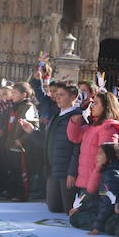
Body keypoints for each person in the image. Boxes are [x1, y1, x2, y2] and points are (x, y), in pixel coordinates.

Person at [67, 90, 119, 195]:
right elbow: (74, 137)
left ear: (106, 106)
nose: (92, 106)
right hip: (86, 183)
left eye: (96, 103)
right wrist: (77, 117)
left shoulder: (108, 129)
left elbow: (104, 160)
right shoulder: (91, 127)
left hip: (96, 186)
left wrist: (92, 185)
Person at [68, 142, 119, 234]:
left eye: (100, 153)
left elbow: (107, 203)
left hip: (111, 214)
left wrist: (97, 227)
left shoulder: (111, 174)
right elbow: (100, 200)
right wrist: (81, 207)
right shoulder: (113, 171)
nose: (96, 157)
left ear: (109, 156)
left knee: (75, 219)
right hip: (109, 212)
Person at [44, 83, 82, 213]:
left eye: (61, 95)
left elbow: (78, 148)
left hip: (66, 171)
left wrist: (72, 172)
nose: (57, 98)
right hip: (53, 168)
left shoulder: (77, 116)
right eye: (56, 94)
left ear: (73, 97)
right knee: (54, 208)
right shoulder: (56, 115)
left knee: (68, 209)